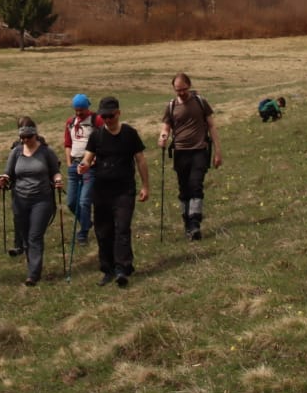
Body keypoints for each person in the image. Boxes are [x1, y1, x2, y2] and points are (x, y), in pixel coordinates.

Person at [77, 97, 150, 288]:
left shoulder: (130, 134)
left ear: (118, 113)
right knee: (103, 231)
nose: (107, 120)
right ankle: (107, 269)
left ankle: (122, 267)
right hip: (101, 190)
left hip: (124, 189)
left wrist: (145, 186)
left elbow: (140, 160)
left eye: (110, 116)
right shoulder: (97, 136)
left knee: (122, 228)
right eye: (104, 116)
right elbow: (87, 158)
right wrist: (83, 166)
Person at [159, 72, 222, 242]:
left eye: (183, 89)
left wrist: (218, 151)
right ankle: (187, 223)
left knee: (196, 185)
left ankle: (195, 223)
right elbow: (166, 127)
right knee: (184, 189)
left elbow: (212, 126)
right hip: (180, 152)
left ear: (189, 85)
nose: (181, 93)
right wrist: (163, 136)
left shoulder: (200, 102)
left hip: (200, 150)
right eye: (177, 90)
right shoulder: (171, 106)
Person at [0, 122, 63, 286]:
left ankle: (33, 274)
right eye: (22, 137)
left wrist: (57, 180)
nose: (25, 140)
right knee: (26, 236)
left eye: (28, 137)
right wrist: (3, 179)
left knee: (35, 236)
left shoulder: (46, 152)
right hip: (20, 199)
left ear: (35, 135)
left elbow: (55, 171)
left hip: (42, 199)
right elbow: (8, 172)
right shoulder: (16, 152)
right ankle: (32, 267)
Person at [62, 95, 98, 252]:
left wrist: (94, 159)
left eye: (81, 111)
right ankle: (86, 222)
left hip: (90, 166)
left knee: (84, 202)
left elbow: (101, 140)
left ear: (87, 108)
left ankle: (82, 233)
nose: (78, 114)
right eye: (76, 111)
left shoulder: (96, 121)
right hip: (74, 164)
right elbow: (68, 144)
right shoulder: (70, 123)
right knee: (71, 202)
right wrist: (69, 163)